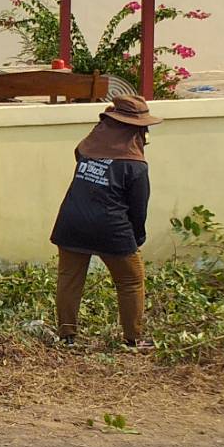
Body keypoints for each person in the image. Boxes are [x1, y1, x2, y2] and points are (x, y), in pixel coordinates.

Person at [50, 96, 161, 350]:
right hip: (112, 228)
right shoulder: (135, 165)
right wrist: (136, 239)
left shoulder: (87, 150)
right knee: (131, 281)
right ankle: (133, 339)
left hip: (71, 222)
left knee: (69, 280)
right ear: (137, 131)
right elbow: (138, 209)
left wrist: (104, 121)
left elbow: (80, 149)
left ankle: (67, 337)